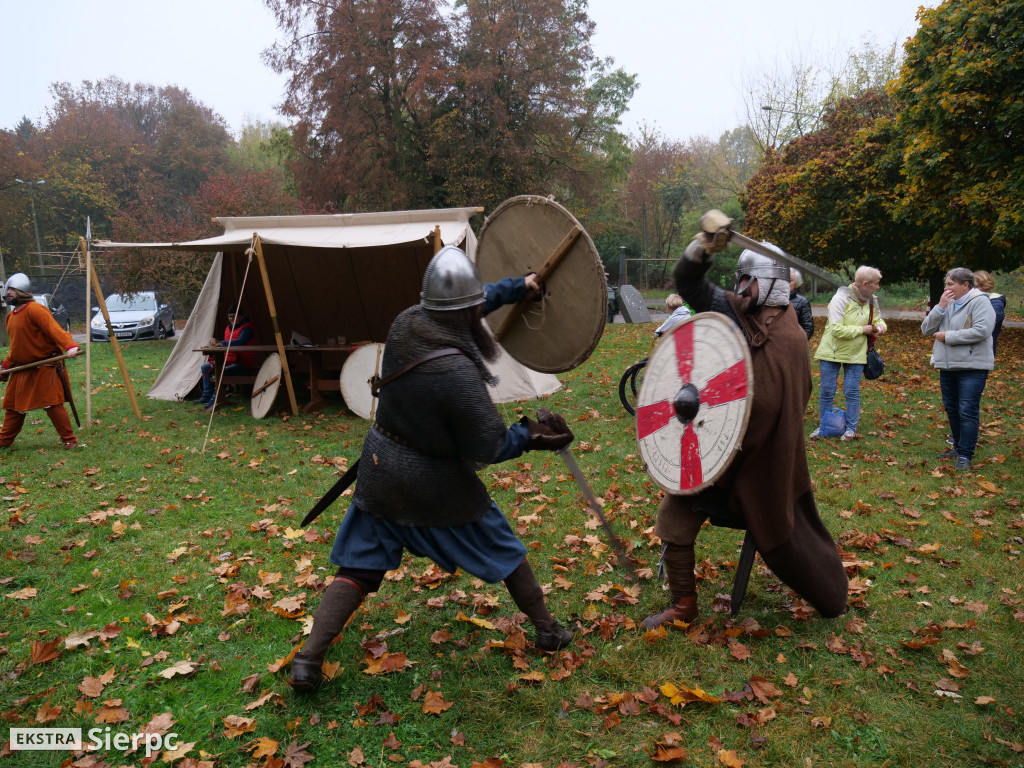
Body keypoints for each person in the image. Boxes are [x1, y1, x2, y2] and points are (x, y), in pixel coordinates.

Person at [289, 246, 575, 692]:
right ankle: (548, 630)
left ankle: (308, 660)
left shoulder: (406, 323)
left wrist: (520, 288)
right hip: (436, 483)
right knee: (505, 550)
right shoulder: (458, 374)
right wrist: (533, 434)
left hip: (382, 464)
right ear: (465, 313)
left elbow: (468, 305)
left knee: (359, 569)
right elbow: (490, 444)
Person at [642, 229, 848, 628]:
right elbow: (688, 283)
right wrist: (704, 246)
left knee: (677, 510)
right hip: (728, 457)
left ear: (772, 284)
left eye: (748, 280)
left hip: (758, 469)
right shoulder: (740, 312)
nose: (741, 288)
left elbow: (771, 407)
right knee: (675, 509)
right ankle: (683, 605)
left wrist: (720, 435)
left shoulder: (789, 337)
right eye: (740, 279)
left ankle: (684, 606)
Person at [921, 267, 995, 472]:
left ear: (965, 285)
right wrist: (939, 307)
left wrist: (949, 337)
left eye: (950, 284)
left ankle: (965, 455)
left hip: (973, 366)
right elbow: (926, 329)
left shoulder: (981, 302)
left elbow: (982, 330)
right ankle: (958, 447)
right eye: (946, 284)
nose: (946, 288)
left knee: (967, 410)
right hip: (947, 366)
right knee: (952, 408)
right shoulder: (947, 303)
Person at [0, 273, 81, 449]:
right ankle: (4, 441)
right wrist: (5, 365)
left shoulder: (35, 310)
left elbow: (55, 330)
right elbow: (17, 348)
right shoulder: (10, 317)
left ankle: (69, 439)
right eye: (7, 290)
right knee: (13, 407)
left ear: (22, 290)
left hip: (45, 366)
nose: (8, 293)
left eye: (11, 289)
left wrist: (70, 345)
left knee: (51, 403)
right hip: (22, 368)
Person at [811, 266, 886, 440]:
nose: (878, 287)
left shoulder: (872, 300)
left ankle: (851, 429)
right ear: (865, 284)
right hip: (832, 352)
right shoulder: (840, 298)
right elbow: (836, 330)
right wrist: (862, 329)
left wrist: (881, 327)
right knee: (827, 391)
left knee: (852, 391)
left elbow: (878, 319)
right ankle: (825, 426)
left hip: (857, 354)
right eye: (876, 283)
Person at [197, 304, 257, 408]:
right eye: (230, 316)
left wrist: (221, 343)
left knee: (221, 372)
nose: (232, 319)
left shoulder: (247, 328)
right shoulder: (228, 329)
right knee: (205, 367)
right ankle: (207, 395)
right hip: (228, 361)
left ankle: (215, 399)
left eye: (234, 316)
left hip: (242, 364)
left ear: (241, 316)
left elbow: (240, 342)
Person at [972, 271, 1005, 356]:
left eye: (975, 287)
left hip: (984, 349)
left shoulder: (995, 302)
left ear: (984, 286)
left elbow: (987, 322)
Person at [789, 268, 815, 340]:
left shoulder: (803, 302)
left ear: (796, 283)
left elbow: (808, 328)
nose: (786, 282)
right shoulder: (772, 299)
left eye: (790, 280)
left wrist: (798, 343)